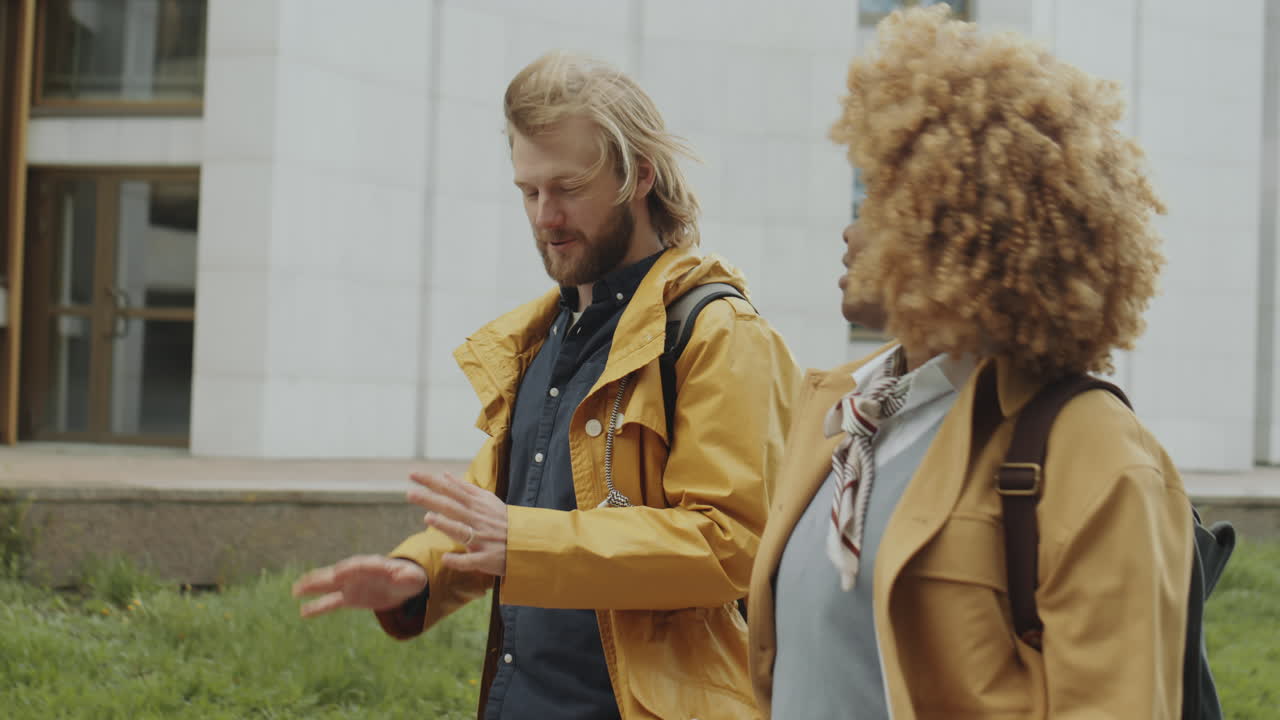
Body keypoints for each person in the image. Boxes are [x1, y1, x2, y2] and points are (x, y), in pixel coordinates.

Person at [294, 51, 801, 720]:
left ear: (639, 175)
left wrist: (526, 543)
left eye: (567, 187)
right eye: (528, 191)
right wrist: (417, 573)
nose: (544, 215)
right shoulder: (542, 337)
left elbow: (732, 546)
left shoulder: (716, 332)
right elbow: (495, 511)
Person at [748, 7, 1192, 719]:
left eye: (881, 199)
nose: (850, 227)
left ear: (963, 228)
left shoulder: (1096, 453)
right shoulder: (843, 415)